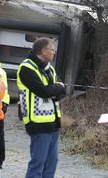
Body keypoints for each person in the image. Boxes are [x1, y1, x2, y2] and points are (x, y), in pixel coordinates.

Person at [16, 37, 66, 178]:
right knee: (38, 164)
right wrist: (56, 89)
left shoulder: (49, 68)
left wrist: (55, 89)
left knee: (52, 162)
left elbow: (62, 91)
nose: (54, 53)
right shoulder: (27, 68)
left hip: (53, 122)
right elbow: (43, 91)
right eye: (52, 49)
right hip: (37, 122)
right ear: (43, 51)